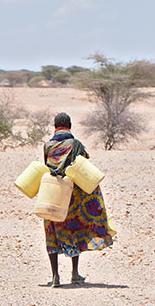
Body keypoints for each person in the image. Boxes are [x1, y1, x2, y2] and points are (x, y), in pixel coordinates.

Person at [42, 112, 116, 287]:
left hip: (53, 192)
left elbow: (48, 166)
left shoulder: (47, 146)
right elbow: (83, 164)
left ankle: (55, 276)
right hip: (72, 195)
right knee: (72, 229)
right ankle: (74, 273)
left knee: (52, 230)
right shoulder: (76, 144)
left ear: (55, 126)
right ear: (70, 126)